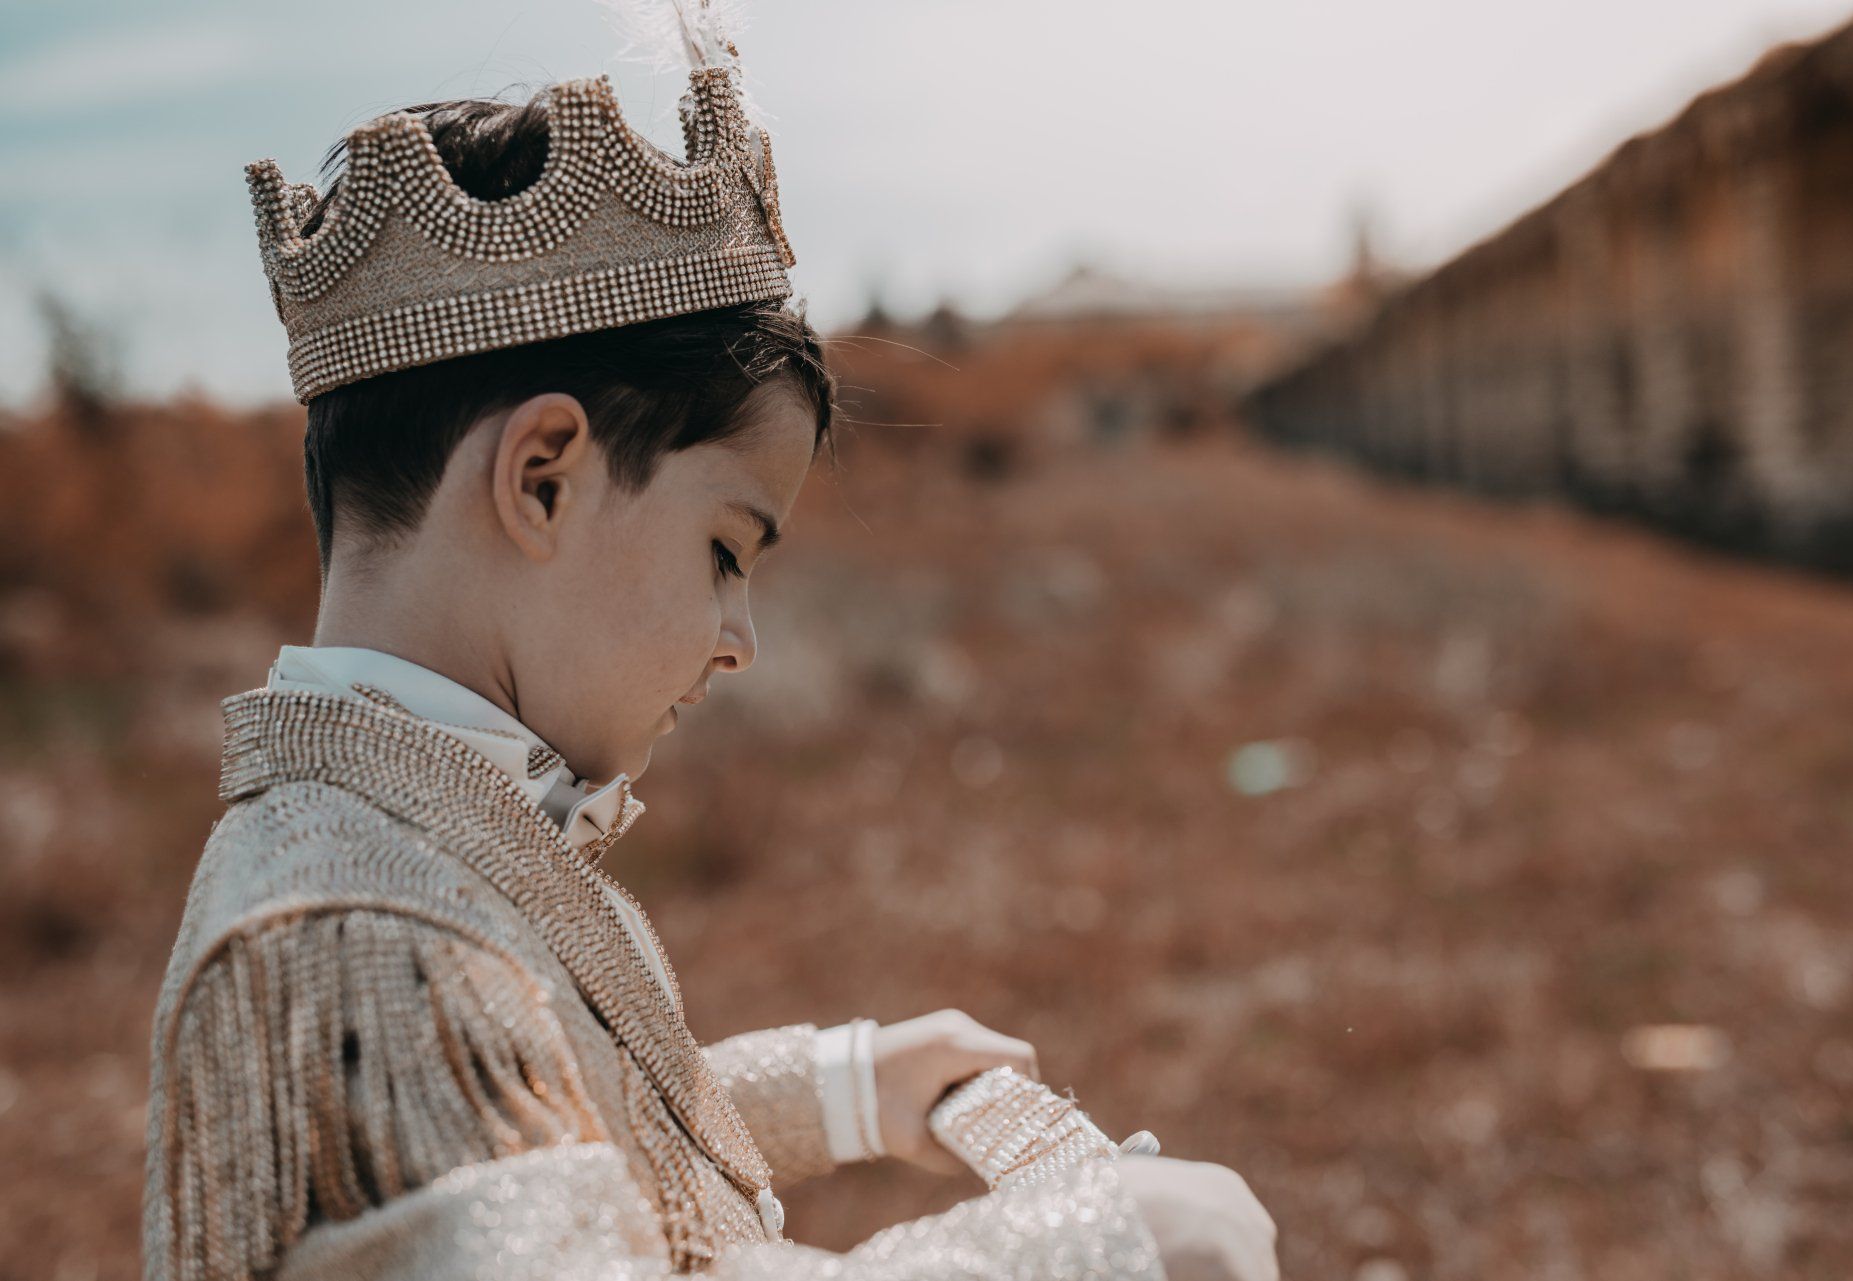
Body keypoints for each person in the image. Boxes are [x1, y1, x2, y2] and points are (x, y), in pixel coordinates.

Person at [141, 7, 1278, 1280]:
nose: (740, 642)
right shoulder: (359, 943)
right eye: (727, 552)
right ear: (545, 480)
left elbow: (555, 1123)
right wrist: (1095, 1247)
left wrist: (846, 1087)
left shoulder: (403, 837)